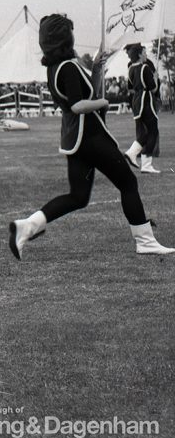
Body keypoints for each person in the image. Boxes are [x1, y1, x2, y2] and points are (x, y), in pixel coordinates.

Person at [9, 15, 174, 259]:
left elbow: (84, 95)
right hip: (90, 137)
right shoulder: (69, 67)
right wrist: (103, 101)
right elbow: (78, 104)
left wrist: (97, 69)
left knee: (78, 196)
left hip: (75, 139)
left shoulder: (56, 68)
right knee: (128, 183)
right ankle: (145, 241)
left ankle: (28, 226)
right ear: (65, 38)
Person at [122, 42, 161, 174]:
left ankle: (134, 154)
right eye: (144, 53)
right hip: (146, 100)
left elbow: (130, 87)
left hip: (137, 101)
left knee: (144, 132)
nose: (146, 55)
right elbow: (153, 88)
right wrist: (155, 78)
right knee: (153, 131)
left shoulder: (130, 69)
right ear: (139, 55)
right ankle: (143, 161)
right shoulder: (145, 68)